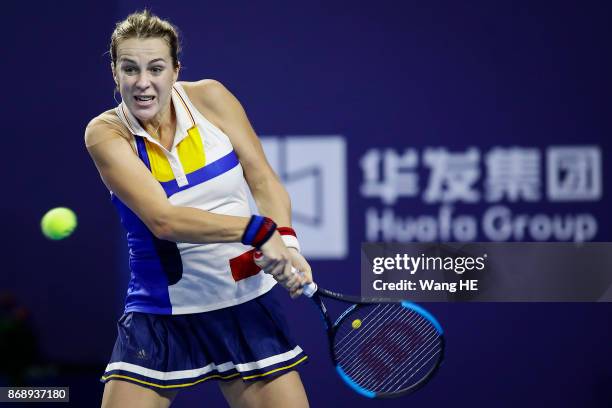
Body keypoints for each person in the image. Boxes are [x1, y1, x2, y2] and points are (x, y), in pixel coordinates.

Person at [84, 10, 312, 408]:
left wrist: (287, 242)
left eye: (156, 68)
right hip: (161, 314)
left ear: (175, 70)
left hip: (243, 303)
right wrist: (259, 232)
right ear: (114, 73)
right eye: (130, 69)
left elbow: (262, 178)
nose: (143, 83)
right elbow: (164, 220)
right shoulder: (106, 133)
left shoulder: (211, 99)